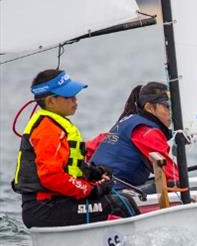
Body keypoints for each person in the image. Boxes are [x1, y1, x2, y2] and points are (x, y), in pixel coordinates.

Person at [12, 69, 139, 228]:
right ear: (51, 101)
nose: (75, 100)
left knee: (123, 199)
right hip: (44, 208)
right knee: (119, 204)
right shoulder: (48, 129)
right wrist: (90, 190)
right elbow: (51, 176)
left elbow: (67, 166)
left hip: (54, 202)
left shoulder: (54, 123)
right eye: (68, 96)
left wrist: (93, 173)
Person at [87, 82, 179, 189]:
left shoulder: (124, 124)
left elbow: (87, 149)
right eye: (167, 106)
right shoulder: (147, 132)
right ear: (149, 107)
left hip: (96, 188)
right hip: (114, 192)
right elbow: (172, 176)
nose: (171, 112)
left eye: (173, 106)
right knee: (172, 184)